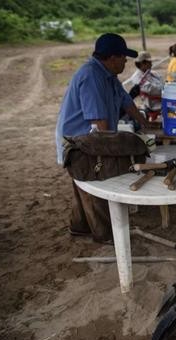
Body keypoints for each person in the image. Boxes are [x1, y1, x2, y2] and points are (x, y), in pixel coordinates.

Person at [55, 33, 148, 243]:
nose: (126, 61)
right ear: (112, 57)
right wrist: (115, 148)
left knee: (81, 185)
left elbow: (125, 101)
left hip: (87, 138)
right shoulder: (91, 76)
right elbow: (100, 125)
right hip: (79, 142)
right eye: (123, 57)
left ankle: (79, 226)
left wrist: (143, 122)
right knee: (95, 181)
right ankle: (105, 235)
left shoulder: (108, 75)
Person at [128, 51, 163, 120]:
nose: (151, 64)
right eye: (149, 63)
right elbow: (153, 90)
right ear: (142, 63)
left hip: (161, 101)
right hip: (153, 105)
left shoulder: (153, 73)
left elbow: (162, 83)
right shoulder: (137, 78)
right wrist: (165, 89)